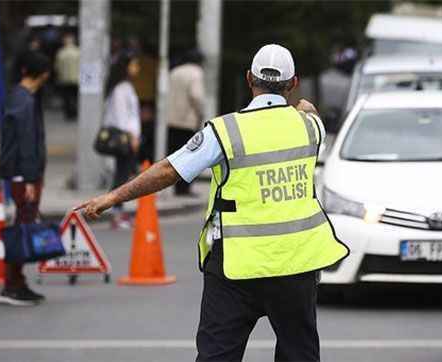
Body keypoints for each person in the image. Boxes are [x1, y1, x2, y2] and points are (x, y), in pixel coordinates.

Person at [76, 44, 350, 361]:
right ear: (293, 82)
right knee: (299, 354)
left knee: (217, 356)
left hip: (236, 267)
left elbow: (169, 170)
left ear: (249, 79)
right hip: (296, 265)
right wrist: (305, 107)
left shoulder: (225, 131)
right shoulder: (310, 127)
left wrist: (112, 196)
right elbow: (310, 113)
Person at [0, 51, 51, 306]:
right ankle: (12, 286)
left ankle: (17, 282)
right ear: (44, 74)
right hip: (24, 175)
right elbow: (27, 143)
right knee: (22, 228)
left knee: (22, 225)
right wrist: (30, 179)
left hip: (19, 173)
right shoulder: (25, 101)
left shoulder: (18, 96)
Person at [102, 52, 142, 229]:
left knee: (124, 174)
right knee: (121, 176)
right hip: (125, 138)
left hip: (129, 137)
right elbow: (121, 117)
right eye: (134, 64)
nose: (136, 68)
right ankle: (116, 213)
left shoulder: (126, 87)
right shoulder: (121, 89)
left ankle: (119, 211)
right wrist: (131, 137)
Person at [166, 48, 205, 196]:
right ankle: (185, 188)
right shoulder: (196, 73)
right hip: (187, 121)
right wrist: (200, 113)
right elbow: (196, 95)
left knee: (175, 155)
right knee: (190, 156)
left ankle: (176, 187)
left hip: (171, 119)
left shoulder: (174, 72)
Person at [55, 33, 80, 121]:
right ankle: (75, 112)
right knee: (75, 97)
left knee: (66, 97)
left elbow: (57, 67)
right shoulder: (78, 52)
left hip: (64, 79)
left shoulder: (60, 53)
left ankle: (68, 113)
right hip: (76, 79)